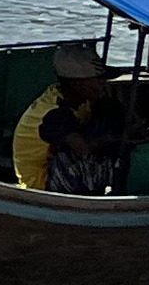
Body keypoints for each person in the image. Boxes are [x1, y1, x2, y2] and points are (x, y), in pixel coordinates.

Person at [10, 41, 126, 194]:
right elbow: (83, 148)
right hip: (41, 184)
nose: (103, 85)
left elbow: (114, 111)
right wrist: (120, 140)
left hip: (57, 167)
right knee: (94, 155)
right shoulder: (53, 112)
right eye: (98, 80)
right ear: (77, 84)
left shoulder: (82, 100)